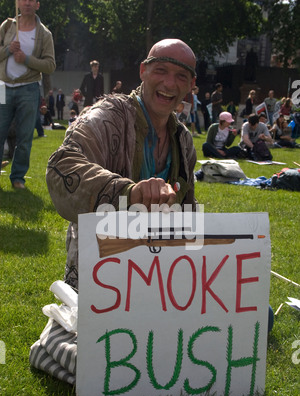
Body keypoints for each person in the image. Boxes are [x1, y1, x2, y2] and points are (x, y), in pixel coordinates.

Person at [46, 38, 198, 289]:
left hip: (162, 278)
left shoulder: (183, 142)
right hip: (100, 277)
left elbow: (189, 211)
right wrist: (129, 193)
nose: (169, 83)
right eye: (160, 70)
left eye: (181, 76)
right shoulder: (107, 117)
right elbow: (61, 168)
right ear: (143, 71)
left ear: (191, 85)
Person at [0, 0, 55, 189]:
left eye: (32, 0)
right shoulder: (7, 26)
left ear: (38, 5)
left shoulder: (44, 34)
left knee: (24, 137)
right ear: (18, 3)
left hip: (29, 88)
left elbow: (50, 65)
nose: (27, 3)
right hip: (3, 86)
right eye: (23, 0)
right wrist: (8, 50)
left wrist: (27, 59)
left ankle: (17, 178)